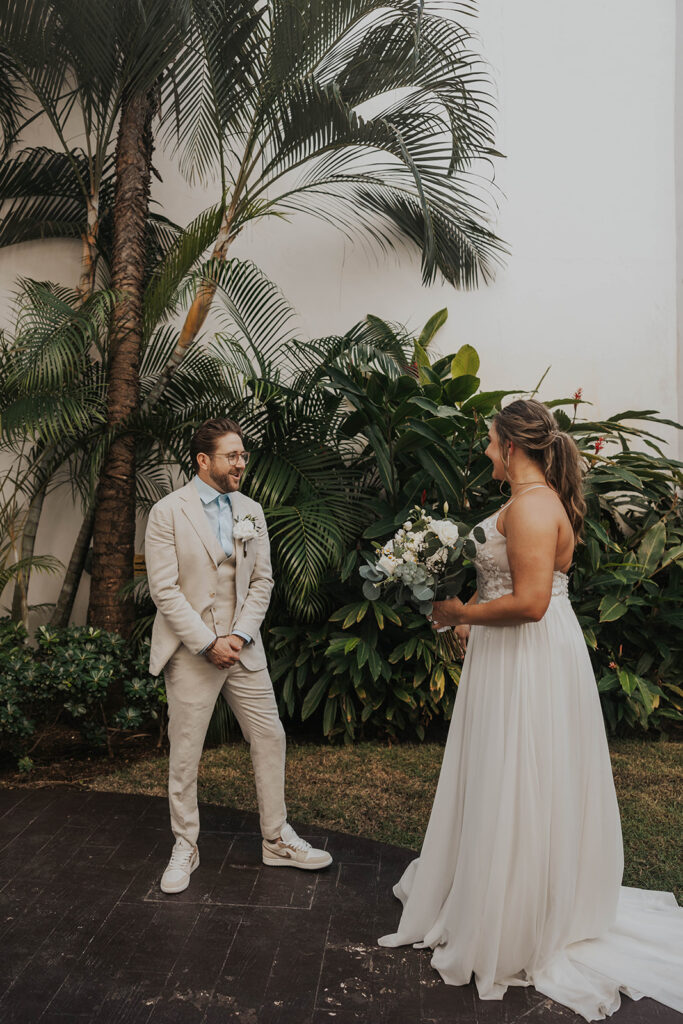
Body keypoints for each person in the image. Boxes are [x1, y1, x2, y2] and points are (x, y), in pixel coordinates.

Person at [378, 399, 682, 1020]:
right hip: (507, 652)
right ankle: (496, 886)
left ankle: (517, 915)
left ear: (511, 446)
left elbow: (533, 602)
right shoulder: (525, 502)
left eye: (490, 440)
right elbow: (507, 587)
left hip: (530, 655)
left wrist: (461, 613)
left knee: (524, 772)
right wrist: (467, 615)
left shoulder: (536, 506)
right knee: (504, 772)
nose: (486, 449)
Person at [145, 416, 332, 893]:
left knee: (270, 737)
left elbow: (262, 580)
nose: (241, 463)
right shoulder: (168, 512)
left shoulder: (250, 509)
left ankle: (276, 838)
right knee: (186, 754)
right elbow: (164, 591)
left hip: (244, 652)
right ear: (203, 460)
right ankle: (185, 845)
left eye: (243, 455)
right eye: (232, 455)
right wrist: (208, 642)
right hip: (193, 653)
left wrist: (241, 636)